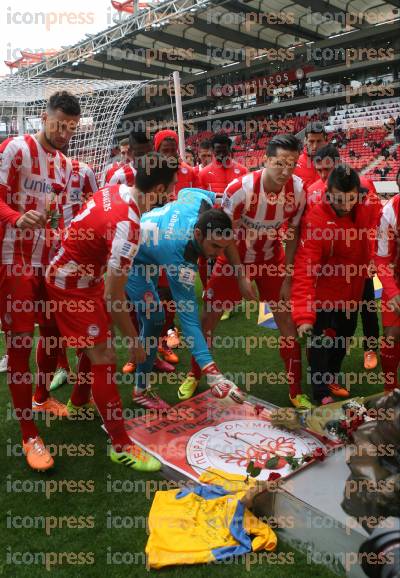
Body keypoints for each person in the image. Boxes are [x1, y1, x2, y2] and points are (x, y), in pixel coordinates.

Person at [45, 153, 178, 472]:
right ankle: (121, 445)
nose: (172, 194)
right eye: (171, 188)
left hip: (79, 275)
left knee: (98, 343)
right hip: (72, 283)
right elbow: (114, 294)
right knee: (105, 355)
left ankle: (78, 401)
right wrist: (135, 340)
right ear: (159, 188)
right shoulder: (129, 225)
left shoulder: (116, 190)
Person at [182, 134, 311, 410]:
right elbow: (224, 235)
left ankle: (295, 391)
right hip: (233, 259)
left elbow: (294, 232)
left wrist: (287, 276)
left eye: (292, 164)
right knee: (209, 318)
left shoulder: (298, 191)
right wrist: (241, 275)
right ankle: (195, 374)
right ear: (265, 160)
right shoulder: (240, 189)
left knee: (287, 322)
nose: (285, 171)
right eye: (279, 163)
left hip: (270, 260)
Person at [0, 91, 80, 470]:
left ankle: (40, 395)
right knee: (20, 345)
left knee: (53, 332)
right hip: (12, 262)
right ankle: (29, 434)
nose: (65, 132)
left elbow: (57, 216)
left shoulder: (65, 165)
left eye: (72, 127)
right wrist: (15, 217)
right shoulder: (16, 149)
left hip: (47, 262)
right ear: (44, 117)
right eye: (60, 124)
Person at [125, 188, 245, 410]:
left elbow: (189, 191)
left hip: (149, 243)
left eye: (223, 247)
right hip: (132, 258)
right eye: (215, 247)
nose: (219, 255)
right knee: (155, 319)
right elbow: (188, 321)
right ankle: (140, 390)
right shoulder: (181, 258)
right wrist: (213, 374)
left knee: (155, 319)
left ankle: (143, 376)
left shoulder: (200, 204)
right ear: (198, 235)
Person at [292, 166, 379, 405]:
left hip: (352, 292)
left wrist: (372, 257)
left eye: (350, 199)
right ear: (328, 193)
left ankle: (331, 376)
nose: (345, 205)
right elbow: (304, 271)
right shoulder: (316, 220)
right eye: (339, 200)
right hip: (324, 294)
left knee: (345, 336)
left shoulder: (366, 205)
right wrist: (303, 315)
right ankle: (321, 394)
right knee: (319, 341)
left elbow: (374, 231)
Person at [308, 145, 382, 371]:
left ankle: (370, 348)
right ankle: (328, 356)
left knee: (367, 307)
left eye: (327, 169)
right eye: (319, 169)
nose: (322, 174)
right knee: (332, 315)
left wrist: (370, 258)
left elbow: (373, 225)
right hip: (331, 270)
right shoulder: (312, 191)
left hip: (359, 263)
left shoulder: (365, 186)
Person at [49, 158, 99, 391]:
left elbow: (96, 208)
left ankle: (82, 363)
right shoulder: (38, 171)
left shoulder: (85, 172)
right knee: (53, 316)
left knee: (84, 313)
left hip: (80, 257)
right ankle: (62, 367)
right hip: (49, 253)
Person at [374, 182, 400, 393]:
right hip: (397, 283)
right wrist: (392, 292)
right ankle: (390, 390)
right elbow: (382, 259)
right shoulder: (390, 211)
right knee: (391, 336)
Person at [197, 133, 247, 200]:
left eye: (224, 151)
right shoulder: (203, 174)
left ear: (229, 150)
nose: (221, 154)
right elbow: (201, 199)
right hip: (213, 210)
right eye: (218, 151)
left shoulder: (243, 171)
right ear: (213, 151)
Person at [293, 121, 328, 191]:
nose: (315, 146)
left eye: (319, 141)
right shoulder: (294, 163)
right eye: (311, 141)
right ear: (305, 140)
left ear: (325, 141)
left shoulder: (334, 164)